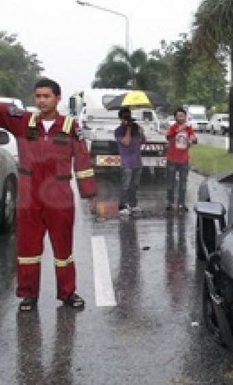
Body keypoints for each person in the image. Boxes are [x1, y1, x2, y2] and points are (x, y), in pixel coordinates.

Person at [0, 78, 97, 311]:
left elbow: (82, 161)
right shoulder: (23, 122)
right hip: (29, 198)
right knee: (28, 249)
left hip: (59, 198)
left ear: (58, 98)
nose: (42, 101)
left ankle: (67, 294)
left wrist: (89, 193)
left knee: (63, 249)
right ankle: (28, 295)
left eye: (47, 96)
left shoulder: (70, 127)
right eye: (38, 96)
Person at [114, 107, 146, 216]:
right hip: (126, 162)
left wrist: (141, 132)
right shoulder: (118, 130)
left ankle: (133, 204)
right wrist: (127, 128)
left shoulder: (136, 128)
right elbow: (126, 142)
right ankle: (122, 205)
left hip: (137, 161)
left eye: (128, 116)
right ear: (120, 118)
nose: (127, 118)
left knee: (135, 185)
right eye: (125, 116)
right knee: (125, 185)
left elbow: (143, 141)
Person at [165, 107, 197, 212]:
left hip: (184, 159)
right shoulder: (172, 127)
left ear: (185, 116)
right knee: (170, 183)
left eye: (183, 116)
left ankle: (181, 204)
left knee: (183, 184)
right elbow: (168, 137)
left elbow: (194, 138)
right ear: (175, 117)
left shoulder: (189, 128)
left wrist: (193, 139)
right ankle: (170, 203)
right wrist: (179, 129)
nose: (181, 118)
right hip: (172, 159)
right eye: (179, 116)